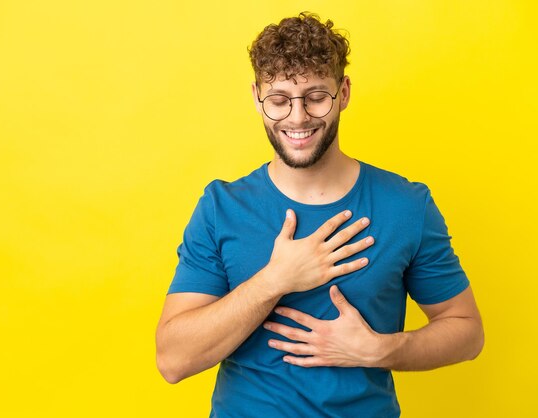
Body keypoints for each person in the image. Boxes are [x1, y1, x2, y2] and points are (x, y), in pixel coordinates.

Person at [156, 12, 484, 417]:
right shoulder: (222, 207)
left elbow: (467, 332)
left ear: (343, 92)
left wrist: (381, 349)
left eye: (315, 96)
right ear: (257, 97)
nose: (297, 117)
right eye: (279, 101)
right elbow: (173, 360)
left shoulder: (406, 205)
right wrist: (275, 280)